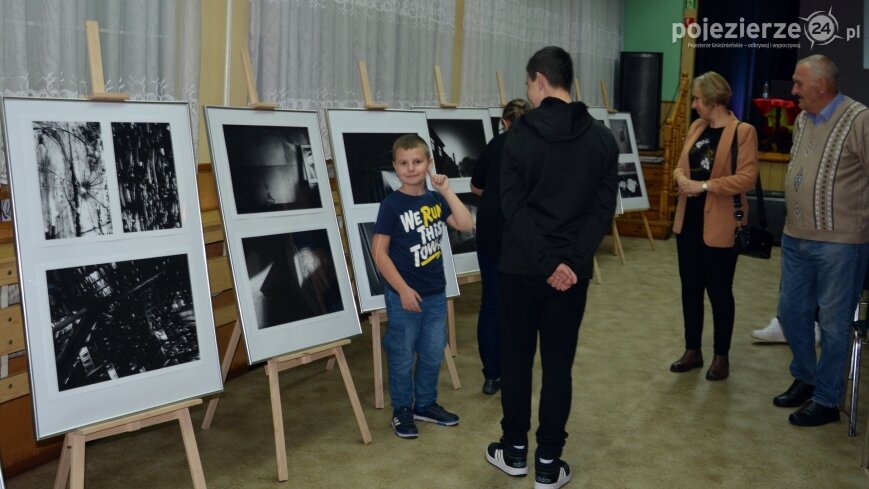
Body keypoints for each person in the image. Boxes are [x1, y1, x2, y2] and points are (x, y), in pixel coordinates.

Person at [485, 46, 617, 489]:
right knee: (559, 365)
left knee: (517, 359)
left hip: (521, 268)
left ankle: (514, 451)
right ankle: (548, 465)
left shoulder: (516, 137)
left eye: (527, 83)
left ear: (540, 80)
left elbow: (512, 208)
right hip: (571, 274)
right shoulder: (601, 137)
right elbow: (603, 210)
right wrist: (570, 263)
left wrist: (545, 262)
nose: (528, 90)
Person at [772, 55, 869, 427]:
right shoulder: (801, 120)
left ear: (821, 86)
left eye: (798, 83)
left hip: (842, 243)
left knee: (833, 322)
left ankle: (827, 399)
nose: (793, 90)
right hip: (795, 237)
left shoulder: (859, 120)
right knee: (790, 312)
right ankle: (806, 377)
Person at [372, 134, 474, 439]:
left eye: (417, 162)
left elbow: (466, 224)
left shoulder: (434, 199)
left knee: (431, 352)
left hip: (434, 294)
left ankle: (425, 403)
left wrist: (446, 189)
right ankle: (402, 409)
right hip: (405, 296)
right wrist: (402, 289)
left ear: (428, 163)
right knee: (402, 355)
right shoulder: (392, 205)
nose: (411, 168)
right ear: (395, 167)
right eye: (404, 163)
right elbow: (379, 252)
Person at [669, 71, 759, 382]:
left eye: (697, 99)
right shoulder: (697, 127)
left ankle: (722, 356)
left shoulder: (742, 132)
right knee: (690, 289)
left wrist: (704, 186)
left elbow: (747, 178)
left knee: (719, 291)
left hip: (721, 224)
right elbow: (682, 164)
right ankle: (692, 349)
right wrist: (681, 178)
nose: (694, 105)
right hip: (688, 222)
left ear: (712, 100)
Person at [470, 98, 533, 396]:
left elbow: (476, 186)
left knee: (491, 304)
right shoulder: (539, 148)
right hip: (521, 236)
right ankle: (515, 372)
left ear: (504, 121)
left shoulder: (496, 145)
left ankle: (492, 375)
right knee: (520, 306)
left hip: (490, 232)